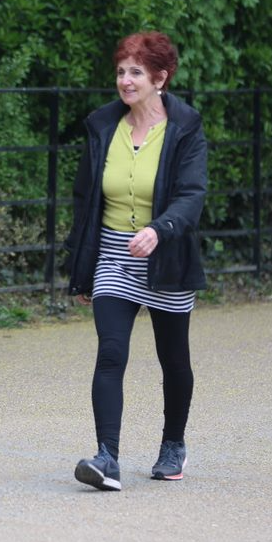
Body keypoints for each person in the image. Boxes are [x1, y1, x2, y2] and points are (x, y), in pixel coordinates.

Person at [65, 31, 207, 491]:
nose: (125, 81)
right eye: (121, 71)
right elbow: (85, 198)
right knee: (111, 353)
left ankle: (173, 444)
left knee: (174, 360)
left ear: (160, 78)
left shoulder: (185, 127)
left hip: (166, 257)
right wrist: (83, 266)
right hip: (113, 254)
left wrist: (158, 229)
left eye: (136, 73)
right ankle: (107, 458)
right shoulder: (103, 126)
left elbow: (192, 195)